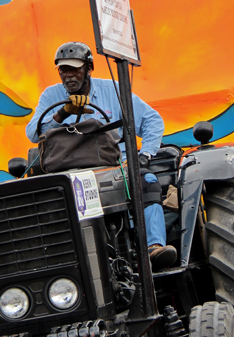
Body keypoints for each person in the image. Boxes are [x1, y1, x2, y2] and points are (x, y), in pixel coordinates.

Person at [26, 42, 176, 269]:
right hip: (68, 174)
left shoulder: (113, 90)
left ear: (89, 69)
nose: (69, 75)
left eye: (75, 69)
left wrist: (144, 155)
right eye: (63, 70)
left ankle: (153, 247)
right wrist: (62, 113)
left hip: (115, 166)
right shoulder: (51, 95)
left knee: (147, 181)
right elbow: (33, 134)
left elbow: (152, 121)